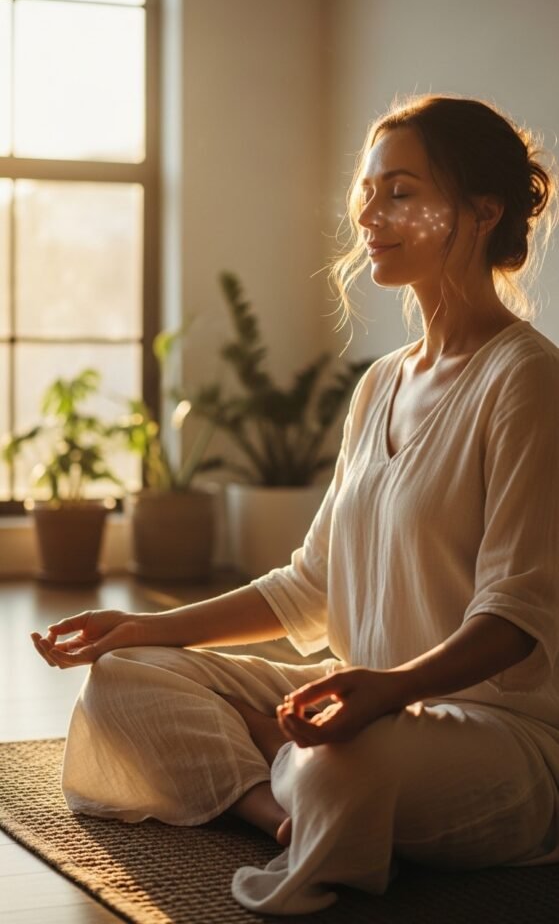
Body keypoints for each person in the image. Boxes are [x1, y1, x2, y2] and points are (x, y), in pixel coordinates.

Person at [31, 94, 559, 916]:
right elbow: (308, 584)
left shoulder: (526, 379)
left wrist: (386, 692)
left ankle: (298, 776)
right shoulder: (380, 383)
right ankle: (276, 811)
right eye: (367, 191)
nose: (369, 216)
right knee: (125, 678)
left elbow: (516, 615)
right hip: (361, 703)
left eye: (400, 193)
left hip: (487, 737)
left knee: (348, 757)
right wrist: (142, 628)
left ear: (482, 211)